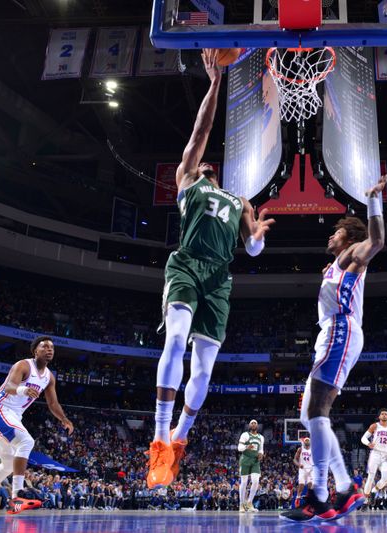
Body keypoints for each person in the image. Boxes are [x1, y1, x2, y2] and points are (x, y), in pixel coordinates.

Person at [148, 48, 275, 489]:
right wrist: (216, 83)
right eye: (200, 160)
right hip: (186, 265)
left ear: (217, 172)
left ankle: (180, 438)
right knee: (177, 338)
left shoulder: (239, 200)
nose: (204, 160)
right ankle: (160, 438)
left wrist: (256, 237)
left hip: (220, 277)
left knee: (203, 370)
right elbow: (201, 130)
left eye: (207, 163)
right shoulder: (188, 181)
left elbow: (253, 252)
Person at [281, 175, 387, 523]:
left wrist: (373, 201)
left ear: (349, 238)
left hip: (340, 330)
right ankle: (341, 487)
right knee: (307, 417)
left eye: (338, 230)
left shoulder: (352, 254)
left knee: (316, 412)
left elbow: (377, 241)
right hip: (332, 332)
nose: (331, 234)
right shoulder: (336, 265)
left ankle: (323, 494)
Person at [0, 336, 74, 516]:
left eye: (52, 348)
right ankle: (17, 495)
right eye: (44, 346)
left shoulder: (49, 377)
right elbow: (9, 385)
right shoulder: (23, 365)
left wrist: (65, 420)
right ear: (35, 351)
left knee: (8, 465)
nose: (49, 350)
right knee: (26, 442)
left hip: (13, 416)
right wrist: (22, 390)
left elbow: (53, 404)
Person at [361, 409, 387, 504]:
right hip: (375, 454)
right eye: (382, 414)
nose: (384, 415)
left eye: (386, 414)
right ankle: (366, 500)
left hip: (386, 456)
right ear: (379, 416)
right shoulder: (374, 426)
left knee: (385, 479)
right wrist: (368, 443)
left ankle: (374, 491)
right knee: (371, 477)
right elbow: (363, 438)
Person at [237, 420, 265, 512]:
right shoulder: (245, 435)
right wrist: (246, 447)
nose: (253, 424)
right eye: (252, 423)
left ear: (258, 426)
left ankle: (249, 503)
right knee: (244, 482)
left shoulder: (261, 437)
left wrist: (261, 454)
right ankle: (241, 504)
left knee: (256, 481)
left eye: (255, 423)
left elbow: (261, 449)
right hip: (245, 459)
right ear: (249, 425)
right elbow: (239, 448)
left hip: (255, 461)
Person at [293, 437, 314, 508]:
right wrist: (299, 464)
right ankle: (298, 498)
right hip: (302, 469)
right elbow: (295, 459)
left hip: (311, 469)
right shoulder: (300, 449)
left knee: (310, 485)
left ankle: (310, 500)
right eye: (306, 440)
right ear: (304, 442)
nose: (307, 441)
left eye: (308, 440)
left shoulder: (313, 450)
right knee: (301, 484)